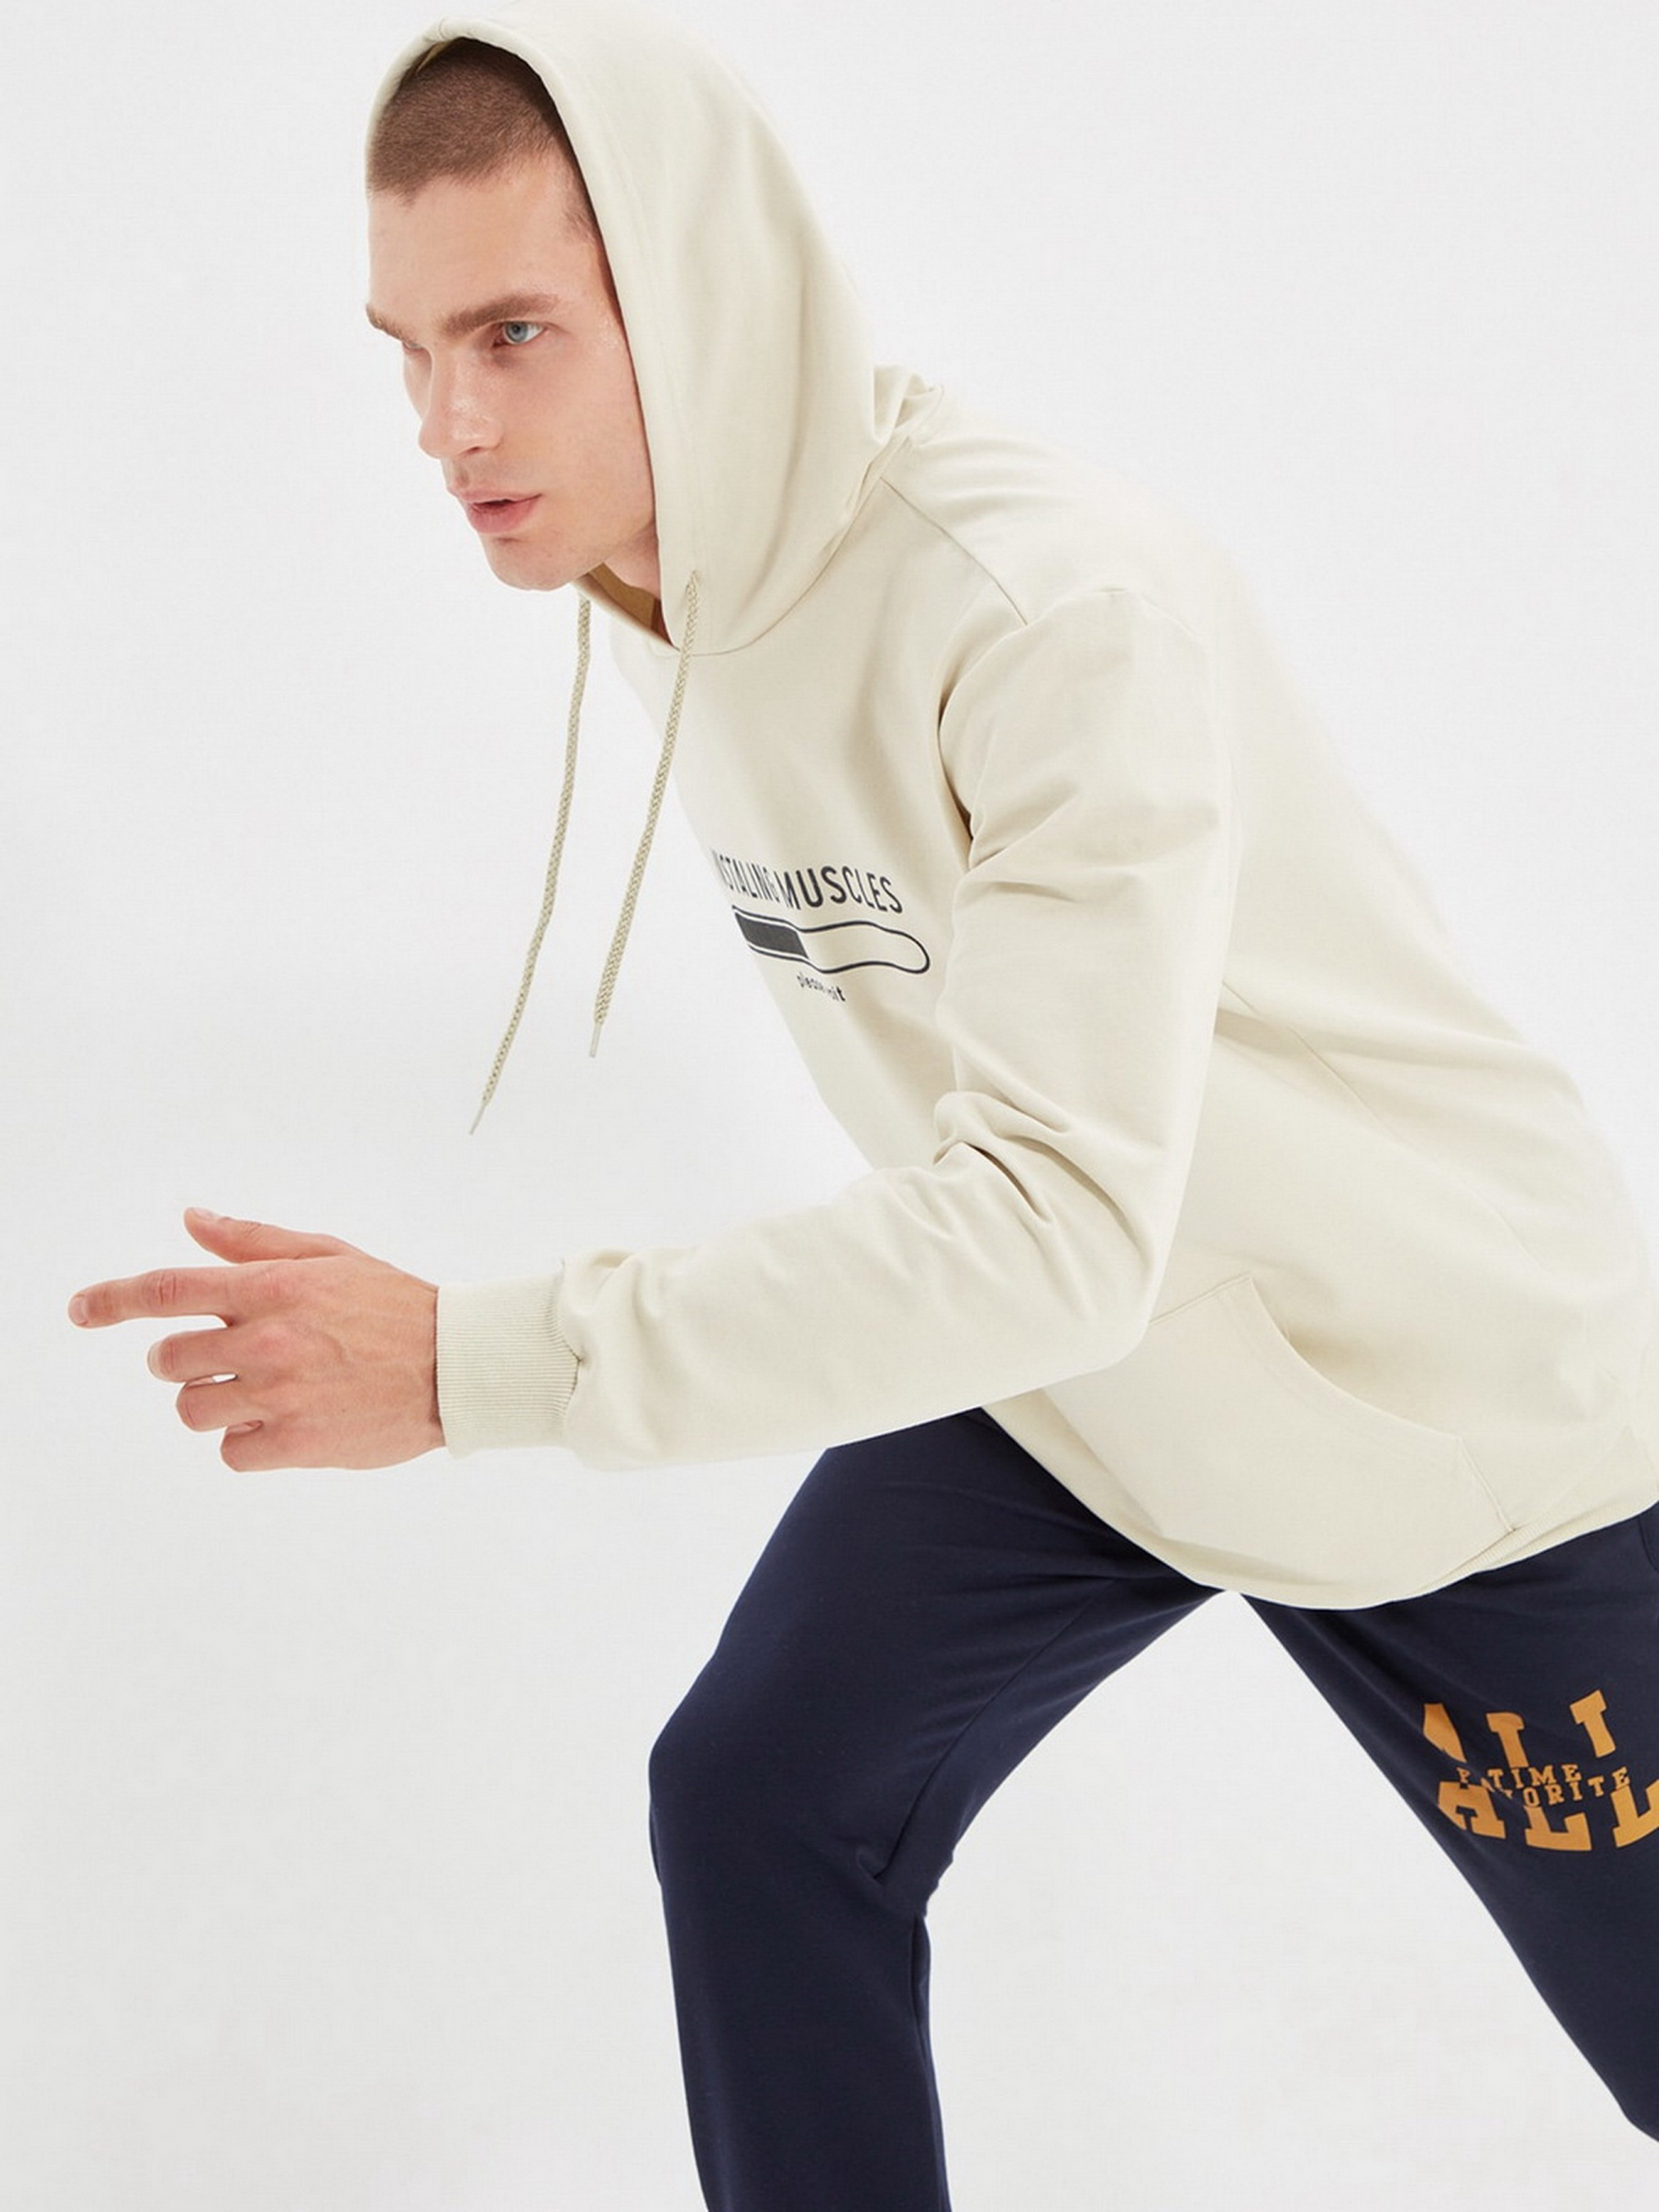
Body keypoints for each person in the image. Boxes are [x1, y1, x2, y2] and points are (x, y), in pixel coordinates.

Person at [68, 2, 1659, 2201]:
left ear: (697, 295)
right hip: (1093, 1363)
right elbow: (1056, 1236)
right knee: (758, 1798)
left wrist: (466, 1359)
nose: (448, 424)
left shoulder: (1041, 607)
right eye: (409, 351)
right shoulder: (683, 583)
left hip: (1430, 1402)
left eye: (514, 334)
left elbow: (1051, 1225)